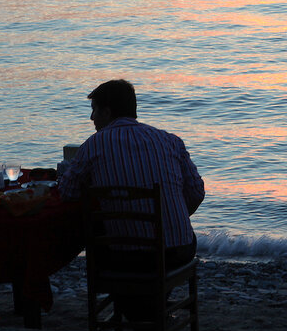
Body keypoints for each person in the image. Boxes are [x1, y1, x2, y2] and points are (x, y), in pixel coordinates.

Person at [59, 79, 205, 270]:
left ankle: (125, 295)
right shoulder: (170, 140)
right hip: (178, 251)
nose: (91, 117)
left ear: (107, 112)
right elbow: (196, 192)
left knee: (95, 227)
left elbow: (67, 193)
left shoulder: (93, 145)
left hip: (126, 258)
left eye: (94, 110)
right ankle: (153, 296)